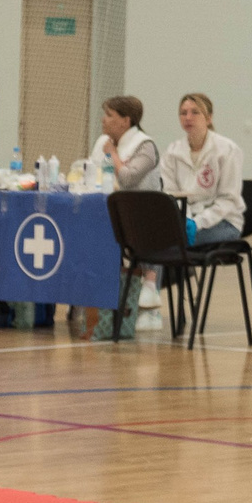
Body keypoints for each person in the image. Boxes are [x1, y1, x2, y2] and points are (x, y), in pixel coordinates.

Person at [74, 96, 161, 341]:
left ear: (126, 120)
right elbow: (90, 172)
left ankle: (130, 307)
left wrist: (112, 153)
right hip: (107, 214)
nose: (103, 119)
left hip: (140, 220)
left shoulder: (146, 146)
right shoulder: (103, 141)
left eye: (110, 115)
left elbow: (129, 179)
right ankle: (89, 313)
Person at [160, 92, 245, 243]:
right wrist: (185, 219)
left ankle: (165, 267)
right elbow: (171, 194)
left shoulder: (227, 150)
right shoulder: (172, 151)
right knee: (150, 238)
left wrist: (198, 222)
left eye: (195, 112)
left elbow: (228, 199)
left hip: (223, 222)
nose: (188, 117)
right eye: (183, 113)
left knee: (172, 243)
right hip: (185, 220)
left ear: (208, 117)